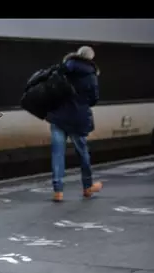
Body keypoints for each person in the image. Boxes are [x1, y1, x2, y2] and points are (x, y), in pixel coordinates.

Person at [46, 46, 102, 202]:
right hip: (78, 119)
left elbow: (51, 89)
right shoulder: (91, 75)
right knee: (83, 152)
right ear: (90, 58)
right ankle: (87, 187)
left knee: (57, 154)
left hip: (58, 117)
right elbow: (94, 99)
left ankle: (58, 191)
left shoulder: (62, 69)